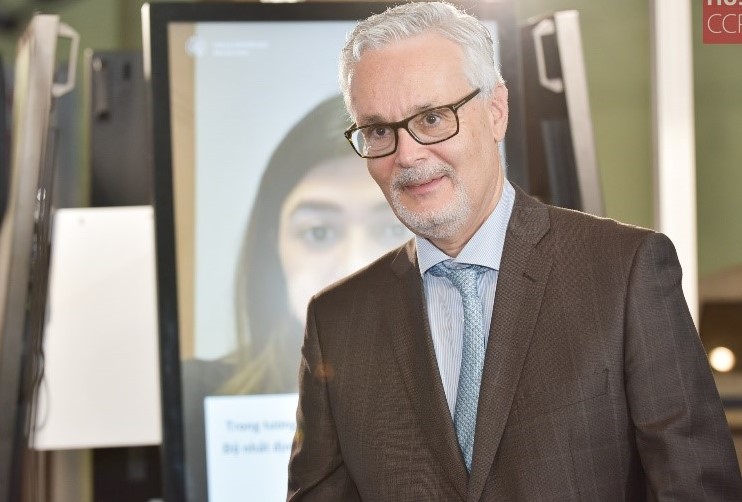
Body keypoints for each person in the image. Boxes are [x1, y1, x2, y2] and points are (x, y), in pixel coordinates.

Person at [287, 2, 742, 500]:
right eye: (378, 131)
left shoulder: (624, 272)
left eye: (433, 118)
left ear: (496, 110)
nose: (408, 155)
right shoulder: (337, 321)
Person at [181, 94, 410, 501]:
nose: (354, 266)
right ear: (274, 248)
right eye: (319, 233)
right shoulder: (195, 398)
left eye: (392, 229)